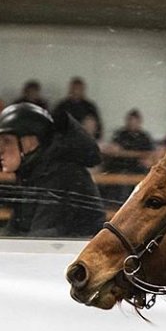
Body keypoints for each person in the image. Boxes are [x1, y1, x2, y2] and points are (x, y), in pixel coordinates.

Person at [0, 102, 103, 237]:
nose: (0, 149)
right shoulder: (35, 174)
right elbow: (14, 233)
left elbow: (40, 242)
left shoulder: (61, 175)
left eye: (6, 141)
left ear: (29, 142)